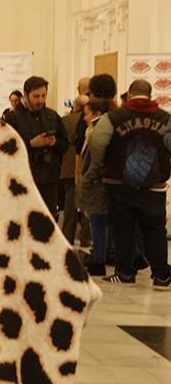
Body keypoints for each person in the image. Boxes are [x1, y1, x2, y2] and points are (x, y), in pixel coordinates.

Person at [85, 79, 171, 288]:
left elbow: (98, 142)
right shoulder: (166, 118)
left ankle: (125, 274)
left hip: (117, 182)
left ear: (130, 95)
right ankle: (162, 275)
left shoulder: (113, 118)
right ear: (150, 96)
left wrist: (97, 167)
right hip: (154, 186)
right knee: (155, 229)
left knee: (122, 227)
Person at [4, 76, 68, 215]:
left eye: (43, 96)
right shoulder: (13, 118)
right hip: (23, 181)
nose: (40, 100)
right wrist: (30, 144)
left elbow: (65, 145)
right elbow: (6, 149)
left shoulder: (52, 116)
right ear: (25, 95)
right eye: (36, 96)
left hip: (49, 181)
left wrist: (54, 142)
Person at [77, 99, 110, 275]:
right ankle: (98, 257)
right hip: (97, 182)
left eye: (87, 113)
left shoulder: (97, 131)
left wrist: (87, 179)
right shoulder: (95, 129)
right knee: (97, 223)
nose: (84, 117)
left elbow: (95, 160)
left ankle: (99, 260)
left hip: (96, 184)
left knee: (98, 223)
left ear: (96, 113)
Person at [61, 95, 90, 246]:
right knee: (86, 206)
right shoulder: (91, 120)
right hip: (85, 167)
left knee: (69, 206)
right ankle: (86, 239)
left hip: (67, 168)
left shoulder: (65, 120)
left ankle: (67, 237)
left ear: (76, 106)